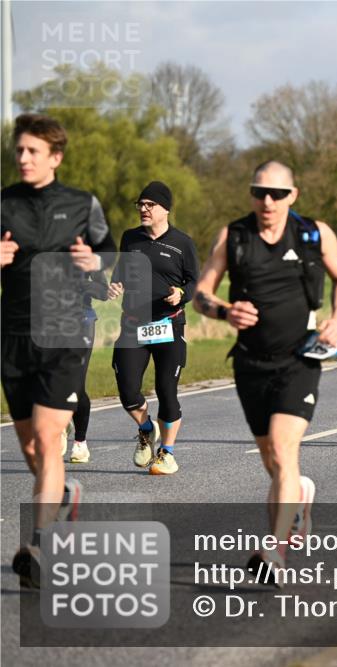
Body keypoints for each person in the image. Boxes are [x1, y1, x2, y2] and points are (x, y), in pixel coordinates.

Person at [194, 160, 337, 576]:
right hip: (249, 361)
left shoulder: (313, 234)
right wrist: (225, 311)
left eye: (278, 194)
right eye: (260, 192)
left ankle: (274, 554)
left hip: (300, 357)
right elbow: (201, 294)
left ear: (292, 195)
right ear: (251, 194)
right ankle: (299, 492)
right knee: (272, 459)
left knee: (283, 450)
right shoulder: (234, 235)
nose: (268, 201)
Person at [1, 113, 116, 586]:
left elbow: (108, 251)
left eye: (33, 151)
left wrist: (95, 260)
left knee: (50, 439)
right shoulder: (3, 204)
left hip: (65, 332)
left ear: (55, 156)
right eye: (19, 150)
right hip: (13, 335)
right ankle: (64, 493)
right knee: (30, 443)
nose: (23, 158)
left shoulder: (80, 203)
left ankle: (43, 544)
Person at [107, 182, 199, 475]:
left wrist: (181, 293)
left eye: (150, 205)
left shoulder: (182, 242)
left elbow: (194, 282)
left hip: (168, 324)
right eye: (140, 204)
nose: (143, 210)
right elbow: (122, 271)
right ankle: (146, 428)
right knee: (127, 390)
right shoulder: (130, 238)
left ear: (165, 209)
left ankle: (167, 453)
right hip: (133, 325)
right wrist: (116, 284)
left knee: (166, 390)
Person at [68, 266, 111, 464]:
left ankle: (80, 442)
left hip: (81, 321)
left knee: (75, 385)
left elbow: (103, 291)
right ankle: (60, 421)